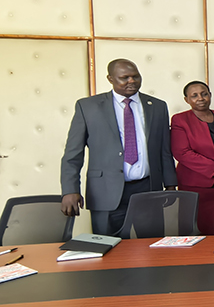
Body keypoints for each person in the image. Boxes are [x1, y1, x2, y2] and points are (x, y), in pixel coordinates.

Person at [60, 59, 177, 235]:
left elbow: (164, 150)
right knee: (108, 246)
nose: (132, 81)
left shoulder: (157, 106)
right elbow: (72, 154)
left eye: (136, 76)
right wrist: (70, 190)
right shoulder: (88, 107)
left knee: (151, 244)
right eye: (125, 77)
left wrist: (170, 184)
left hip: (148, 189)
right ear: (110, 79)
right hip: (105, 191)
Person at [171, 81, 214, 235]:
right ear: (186, 100)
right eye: (194, 96)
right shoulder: (180, 120)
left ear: (210, 95)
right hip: (196, 187)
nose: (200, 98)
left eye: (204, 94)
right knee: (198, 232)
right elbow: (181, 152)